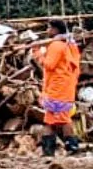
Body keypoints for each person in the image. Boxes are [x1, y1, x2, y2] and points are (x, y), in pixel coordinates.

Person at [33, 19, 82, 157]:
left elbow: (49, 65)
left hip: (57, 88)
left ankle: (71, 147)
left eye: (49, 28)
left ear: (55, 30)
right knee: (50, 120)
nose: (47, 31)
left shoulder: (56, 46)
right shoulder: (68, 44)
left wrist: (37, 54)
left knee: (63, 118)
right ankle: (49, 151)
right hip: (63, 87)